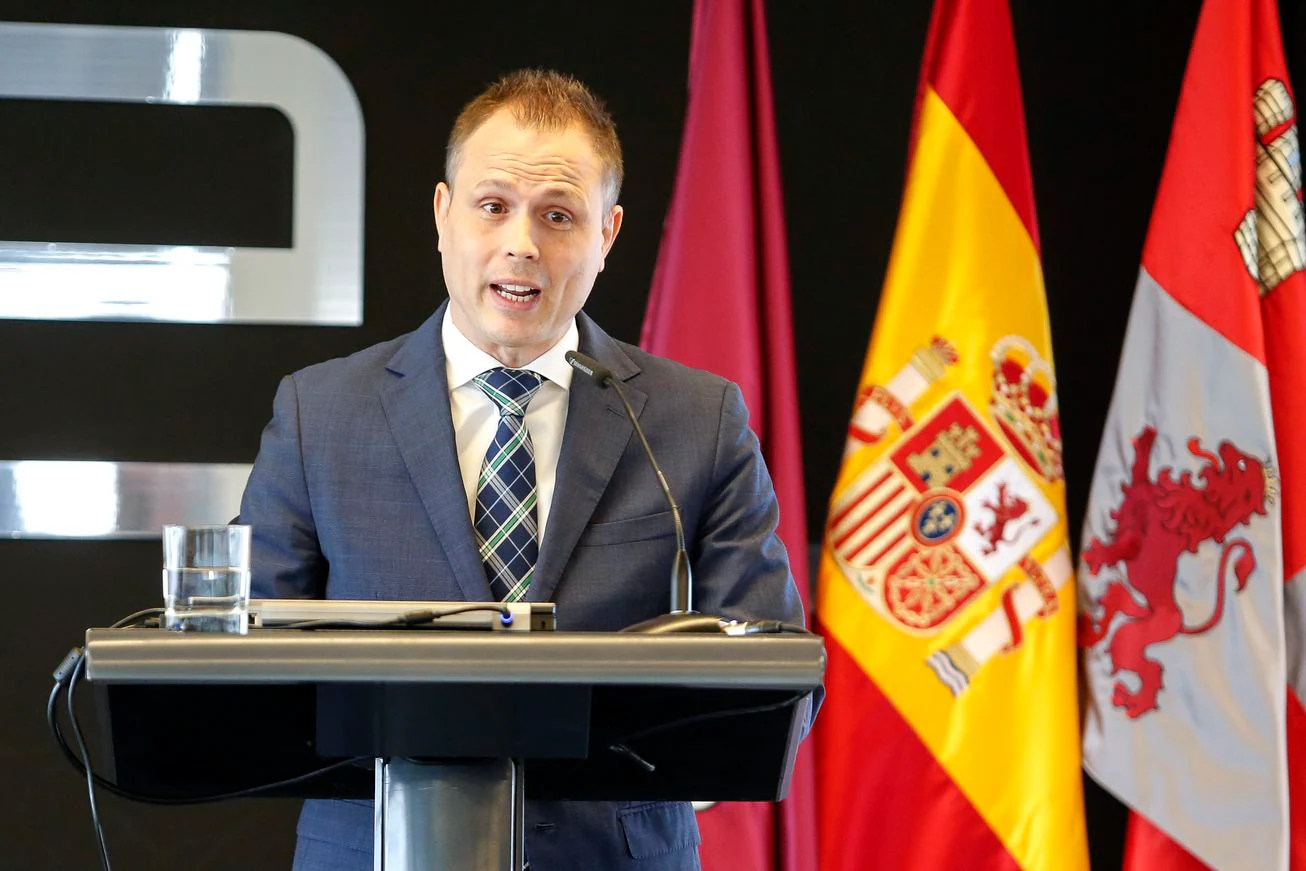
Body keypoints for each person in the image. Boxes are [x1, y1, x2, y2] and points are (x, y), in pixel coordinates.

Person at [239, 67, 808, 871]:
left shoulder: (695, 420)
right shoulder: (319, 414)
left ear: (606, 235)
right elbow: (242, 662)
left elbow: (773, 671)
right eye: (493, 206)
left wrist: (662, 760)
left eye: (558, 215)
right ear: (443, 215)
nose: (521, 244)